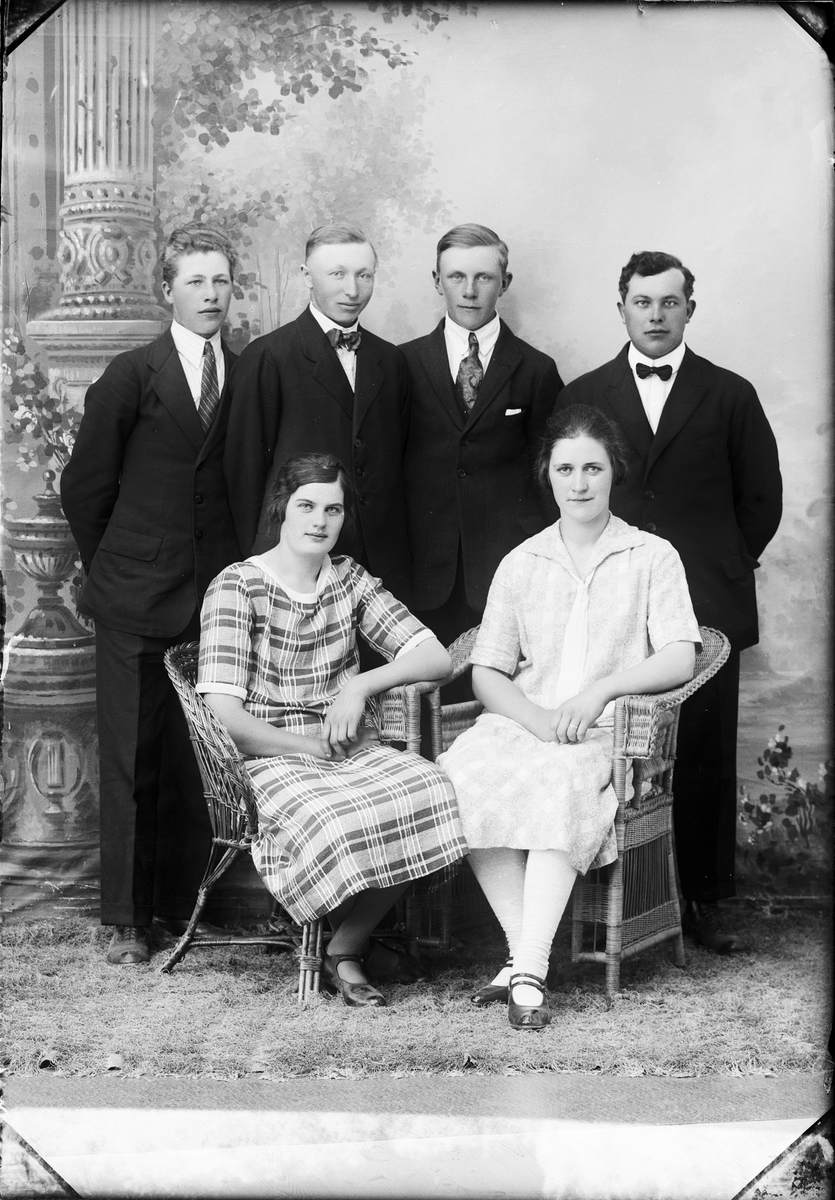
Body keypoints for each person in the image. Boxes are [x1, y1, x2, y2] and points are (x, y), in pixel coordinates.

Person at [438, 405, 701, 1030]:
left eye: (592, 468)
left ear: (614, 473)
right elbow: (487, 672)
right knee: (457, 775)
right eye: (565, 470)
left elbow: (681, 655)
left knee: (559, 781)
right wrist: (534, 720)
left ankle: (528, 970)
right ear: (547, 476)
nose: (579, 483)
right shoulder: (522, 562)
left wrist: (600, 692)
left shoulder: (650, 556)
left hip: (608, 734)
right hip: (525, 724)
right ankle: (525, 952)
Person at [554, 251, 782, 952]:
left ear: (690, 309)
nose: (655, 315)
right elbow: (565, 492)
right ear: (621, 308)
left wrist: (712, 565)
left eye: (669, 302)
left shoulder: (730, 393)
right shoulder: (583, 394)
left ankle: (703, 900)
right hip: (612, 597)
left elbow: (761, 500)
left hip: (707, 599)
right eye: (642, 302)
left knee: (704, 752)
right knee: (615, 744)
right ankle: (616, 898)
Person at [196, 453, 467, 1008]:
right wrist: (311, 747)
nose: (319, 521)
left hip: (346, 748)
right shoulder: (237, 586)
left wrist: (359, 686)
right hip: (269, 757)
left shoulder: (349, 580)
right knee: (334, 817)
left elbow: (435, 656)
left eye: (333, 509)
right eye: (307, 506)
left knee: (432, 788)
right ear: (281, 508)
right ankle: (346, 952)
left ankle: (344, 945)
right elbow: (225, 720)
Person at [61, 225, 242, 965]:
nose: (210, 294)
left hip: (215, 601)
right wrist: (116, 567)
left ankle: (178, 908)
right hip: (134, 596)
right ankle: (127, 921)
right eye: (195, 281)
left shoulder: (247, 375)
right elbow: (84, 488)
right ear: (167, 290)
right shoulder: (131, 374)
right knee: (132, 759)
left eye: (220, 281)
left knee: (193, 758)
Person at [224, 221, 412, 603]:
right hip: (295, 567)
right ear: (307, 276)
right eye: (337, 274)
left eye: (364, 275)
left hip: (381, 566)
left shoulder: (392, 361)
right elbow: (243, 476)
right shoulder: (267, 357)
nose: (352, 290)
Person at [400, 223, 564, 650]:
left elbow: (550, 480)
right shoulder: (403, 364)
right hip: (423, 566)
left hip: (507, 562)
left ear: (504, 283)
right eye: (456, 276)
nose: (469, 291)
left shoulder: (536, 369)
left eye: (484, 277)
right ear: (437, 281)